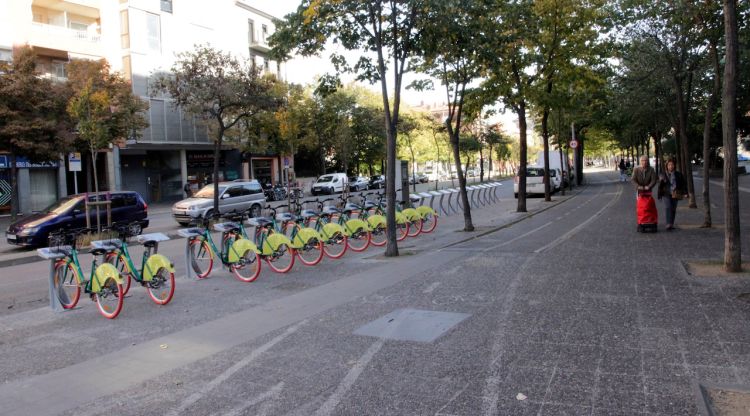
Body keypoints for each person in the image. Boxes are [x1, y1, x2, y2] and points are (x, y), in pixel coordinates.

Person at [658, 159, 687, 230]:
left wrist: (685, 192)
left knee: (673, 208)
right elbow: (660, 185)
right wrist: (661, 181)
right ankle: (668, 223)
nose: (671, 166)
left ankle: (671, 223)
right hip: (666, 193)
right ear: (667, 166)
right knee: (668, 207)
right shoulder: (663, 174)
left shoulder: (678, 174)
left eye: (672, 165)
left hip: (675, 193)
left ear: (674, 166)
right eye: (669, 165)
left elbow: (683, 184)